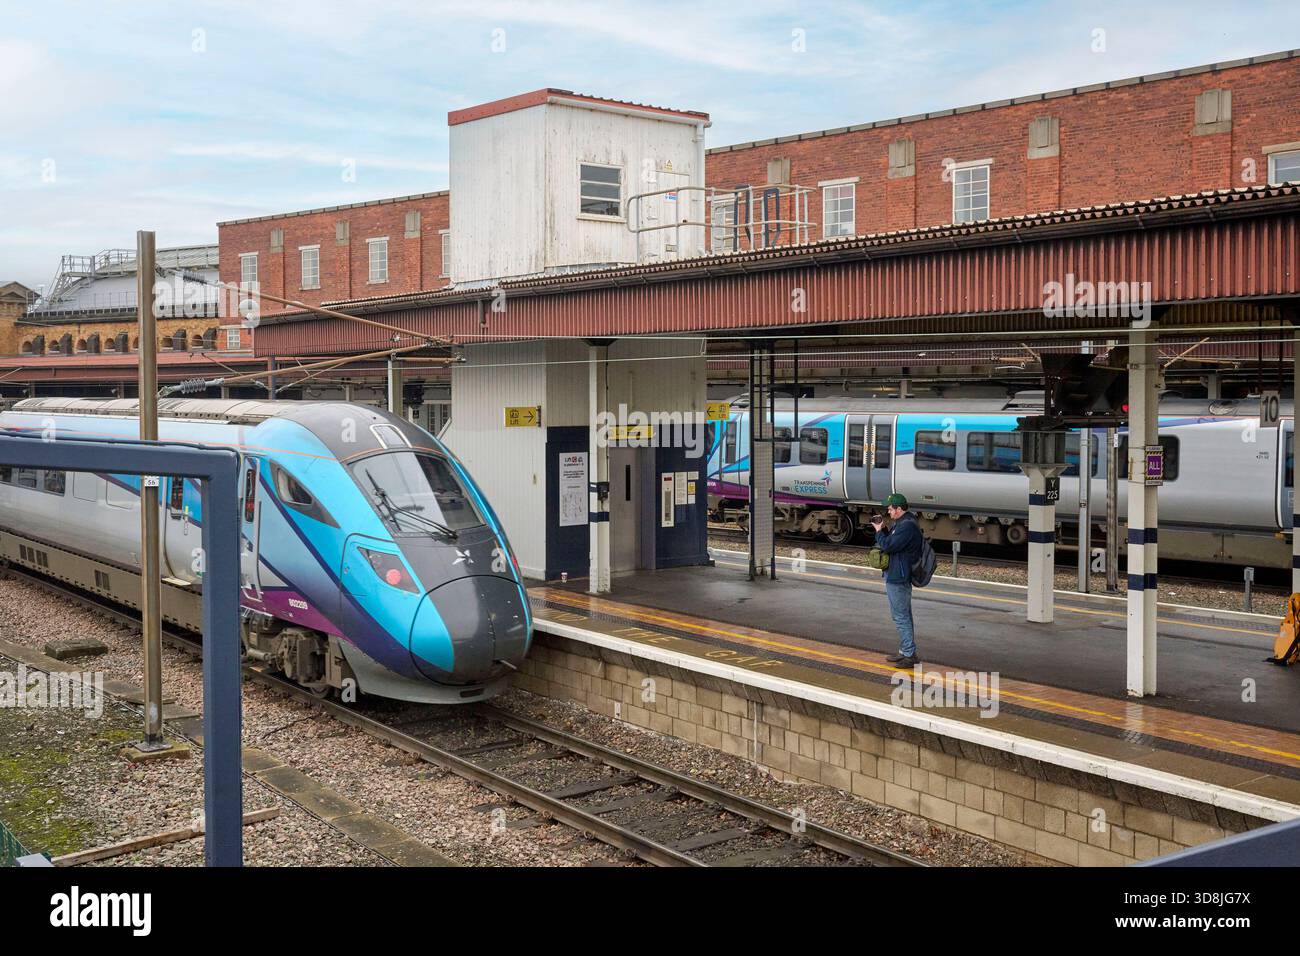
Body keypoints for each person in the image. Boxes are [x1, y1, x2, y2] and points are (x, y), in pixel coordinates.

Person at [870, 493, 922, 666]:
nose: (889, 512)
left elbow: (888, 546)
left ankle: (909, 654)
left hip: (898, 576)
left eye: (890, 509)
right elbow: (893, 541)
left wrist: (879, 532)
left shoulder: (907, 526)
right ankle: (906, 650)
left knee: (901, 616)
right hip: (897, 573)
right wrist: (884, 529)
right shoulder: (902, 523)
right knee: (902, 614)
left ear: (899, 509)